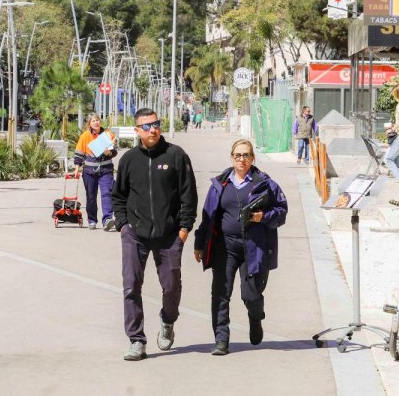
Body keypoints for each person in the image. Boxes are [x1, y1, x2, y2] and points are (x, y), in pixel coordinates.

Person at [112, 108, 198, 361]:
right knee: (131, 286)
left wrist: (183, 229)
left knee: (171, 286)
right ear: (137, 131)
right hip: (135, 235)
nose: (153, 130)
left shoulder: (176, 156)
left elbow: (188, 196)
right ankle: (136, 339)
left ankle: (168, 320)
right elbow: (119, 196)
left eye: (156, 124)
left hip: (169, 235)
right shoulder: (129, 160)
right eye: (147, 126)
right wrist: (123, 226)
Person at [193, 139, 289, 356]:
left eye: (246, 155)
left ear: (252, 158)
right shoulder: (220, 184)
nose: (241, 159)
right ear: (231, 157)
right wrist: (200, 243)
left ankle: (255, 319)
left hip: (253, 248)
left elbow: (282, 211)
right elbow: (207, 217)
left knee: (251, 295)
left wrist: (263, 216)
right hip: (224, 247)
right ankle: (221, 339)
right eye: (238, 155)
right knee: (220, 293)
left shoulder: (265, 183)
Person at [73, 114, 119, 230]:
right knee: (91, 196)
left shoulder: (108, 135)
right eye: (93, 121)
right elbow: (79, 154)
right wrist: (77, 169)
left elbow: (114, 152)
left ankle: (107, 219)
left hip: (106, 170)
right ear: (89, 123)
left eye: (97, 120)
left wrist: (109, 152)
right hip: (89, 172)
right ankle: (92, 220)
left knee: (107, 193)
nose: (96, 122)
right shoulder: (85, 136)